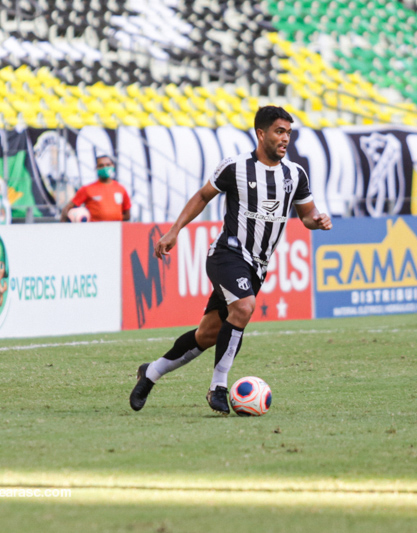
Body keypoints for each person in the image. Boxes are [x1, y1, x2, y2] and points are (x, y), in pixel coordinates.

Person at [129, 106, 332, 415]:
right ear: (261, 133)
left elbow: (306, 215)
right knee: (244, 307)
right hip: (228, 253)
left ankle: (151, 373)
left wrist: (318, 220)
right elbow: (201, 197)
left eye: (289, 133)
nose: (285, 139)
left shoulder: (295, 174)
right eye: (279, 131)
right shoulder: (235, 167)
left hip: (258, 267)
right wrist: (174, 231)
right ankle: (218, 387)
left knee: (207, 335)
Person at [60, 155, 131, 222]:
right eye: (101, 166)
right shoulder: (87, 189)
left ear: (113, 166)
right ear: (96, 168)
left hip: (115, 230)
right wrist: (64, 227)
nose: (105, 168)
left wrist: (114, 218)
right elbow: (67, 208)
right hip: (95, 231)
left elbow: (127, 215)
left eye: (108, 165)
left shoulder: (121, 189)